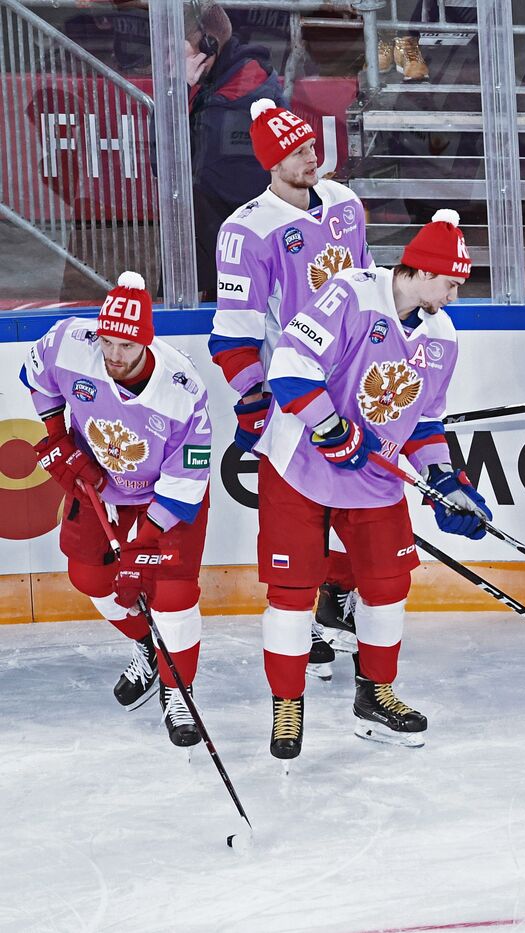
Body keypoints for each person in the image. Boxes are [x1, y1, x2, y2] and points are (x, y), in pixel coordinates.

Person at [257, 209, 485, 761]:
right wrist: (331, 428)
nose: (454, 296)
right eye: (451, 284)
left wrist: (443, 479)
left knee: (387, 585)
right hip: (300, 464)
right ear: (425, 273)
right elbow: (290, 364)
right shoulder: (351, 293)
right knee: (291, 593)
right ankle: (288, 703)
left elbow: (426, 421)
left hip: (371, 474)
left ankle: (376, 694)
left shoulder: (442, 335)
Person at [208, 97, 370, 676]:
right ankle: (308, 622)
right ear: (271, 163)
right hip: (295, 398)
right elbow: (233, 334)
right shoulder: (247, 231)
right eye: (298, 152)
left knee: (361, 512)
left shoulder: (347, 205)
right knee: (302, 524)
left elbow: (370, 288)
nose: (313, 156)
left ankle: (335, 604)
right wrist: (254, 396)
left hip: (358, 388)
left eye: (311, 145)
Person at [21, 273, 214, 748]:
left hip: (164, 498)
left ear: (146, 341)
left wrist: (141, 546)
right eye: (107, 341)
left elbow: (186, 481)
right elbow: (36, 376)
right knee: (89, 577)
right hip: (100, 489)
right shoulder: (71, 342)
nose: (113, 355)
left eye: (126, 346)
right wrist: (59, 437)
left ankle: (178, 692)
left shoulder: (182, 388)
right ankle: (147, 647)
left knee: (172, 597)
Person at [185, 2, 284, 299]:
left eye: (175, 50)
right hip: (229, 248)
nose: (167, 60)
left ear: (208, 45)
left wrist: (179, 90)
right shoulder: (220, 82)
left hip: (239, 265)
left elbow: (167, 165)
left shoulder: (237, 97)